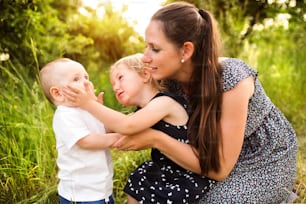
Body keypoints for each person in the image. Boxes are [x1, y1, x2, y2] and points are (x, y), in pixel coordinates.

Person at [64, 2, 298, 203]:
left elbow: (219, 169)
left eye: (155, 48)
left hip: (260, 158)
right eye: (146, 46)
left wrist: (155, 138)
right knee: (163, 192)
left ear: (186, 50)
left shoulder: (232, 79)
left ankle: (280, 194)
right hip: (207, 156)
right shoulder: (169, 80)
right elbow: (133, 121)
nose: (145, 57)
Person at [64, 53, 215, 203]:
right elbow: (115, 130)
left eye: (120, 78)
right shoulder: (143, 112)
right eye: (113, 84)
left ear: (145, 74)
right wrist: (96, 112)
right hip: (166, 170)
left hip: (187, 174)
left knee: (155, 186)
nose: (115, 87)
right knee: (140, 177)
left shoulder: (164, 102)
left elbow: (127, 125)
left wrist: (88, 105)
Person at [39, 58, 120, 204]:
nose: (86, 82)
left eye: (86, 77)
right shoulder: (65, 115)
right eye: (76, 79)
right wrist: (118, 137)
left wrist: (100, 111)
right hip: (81, 194)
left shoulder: (88, 109)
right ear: (57, 93)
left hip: (101, 188)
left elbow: (104, 131)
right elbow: (86, 141)